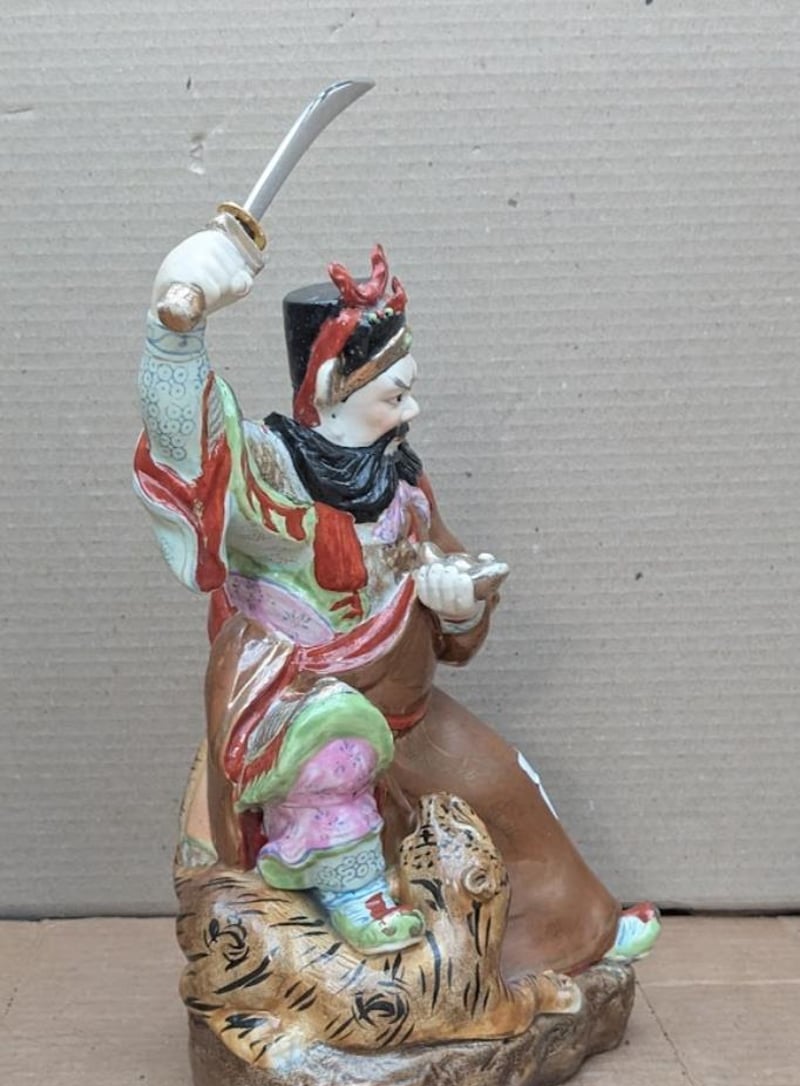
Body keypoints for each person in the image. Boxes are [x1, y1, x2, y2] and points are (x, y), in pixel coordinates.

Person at [135, 223, 661, 972]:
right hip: (304, 702)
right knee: (335, 751)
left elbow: (448, 573)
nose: (410, 411)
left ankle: (568, 936)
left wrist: (459, 603)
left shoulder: (401, 482)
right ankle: (350, 890)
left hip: (409, 713)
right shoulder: (273, 475)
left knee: (505, 785)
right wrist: (175, 337)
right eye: (395, 394)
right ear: (331, 387)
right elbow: (190, 454)